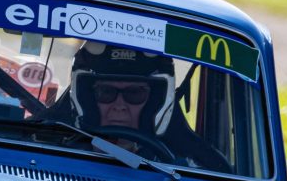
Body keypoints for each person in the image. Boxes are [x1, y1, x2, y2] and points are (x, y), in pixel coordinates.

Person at [60, 41, 230, 172]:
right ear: (87, 98)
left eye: (134, 94)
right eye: (106, 92)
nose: (120, 106)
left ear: (154, 102)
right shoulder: (50, 152)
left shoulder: (186, 172)